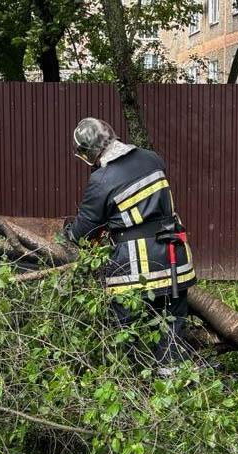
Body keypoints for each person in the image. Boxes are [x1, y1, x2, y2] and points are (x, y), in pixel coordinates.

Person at [64, 117, 196, 375]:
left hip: (135, 271)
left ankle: (131, 385)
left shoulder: (101, 180)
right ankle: (173, 388)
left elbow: (83, 232)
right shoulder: (151, 158)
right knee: (172, 331)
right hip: (173, 262)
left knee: (126, 335)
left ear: (88, 151)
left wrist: (67, 230)